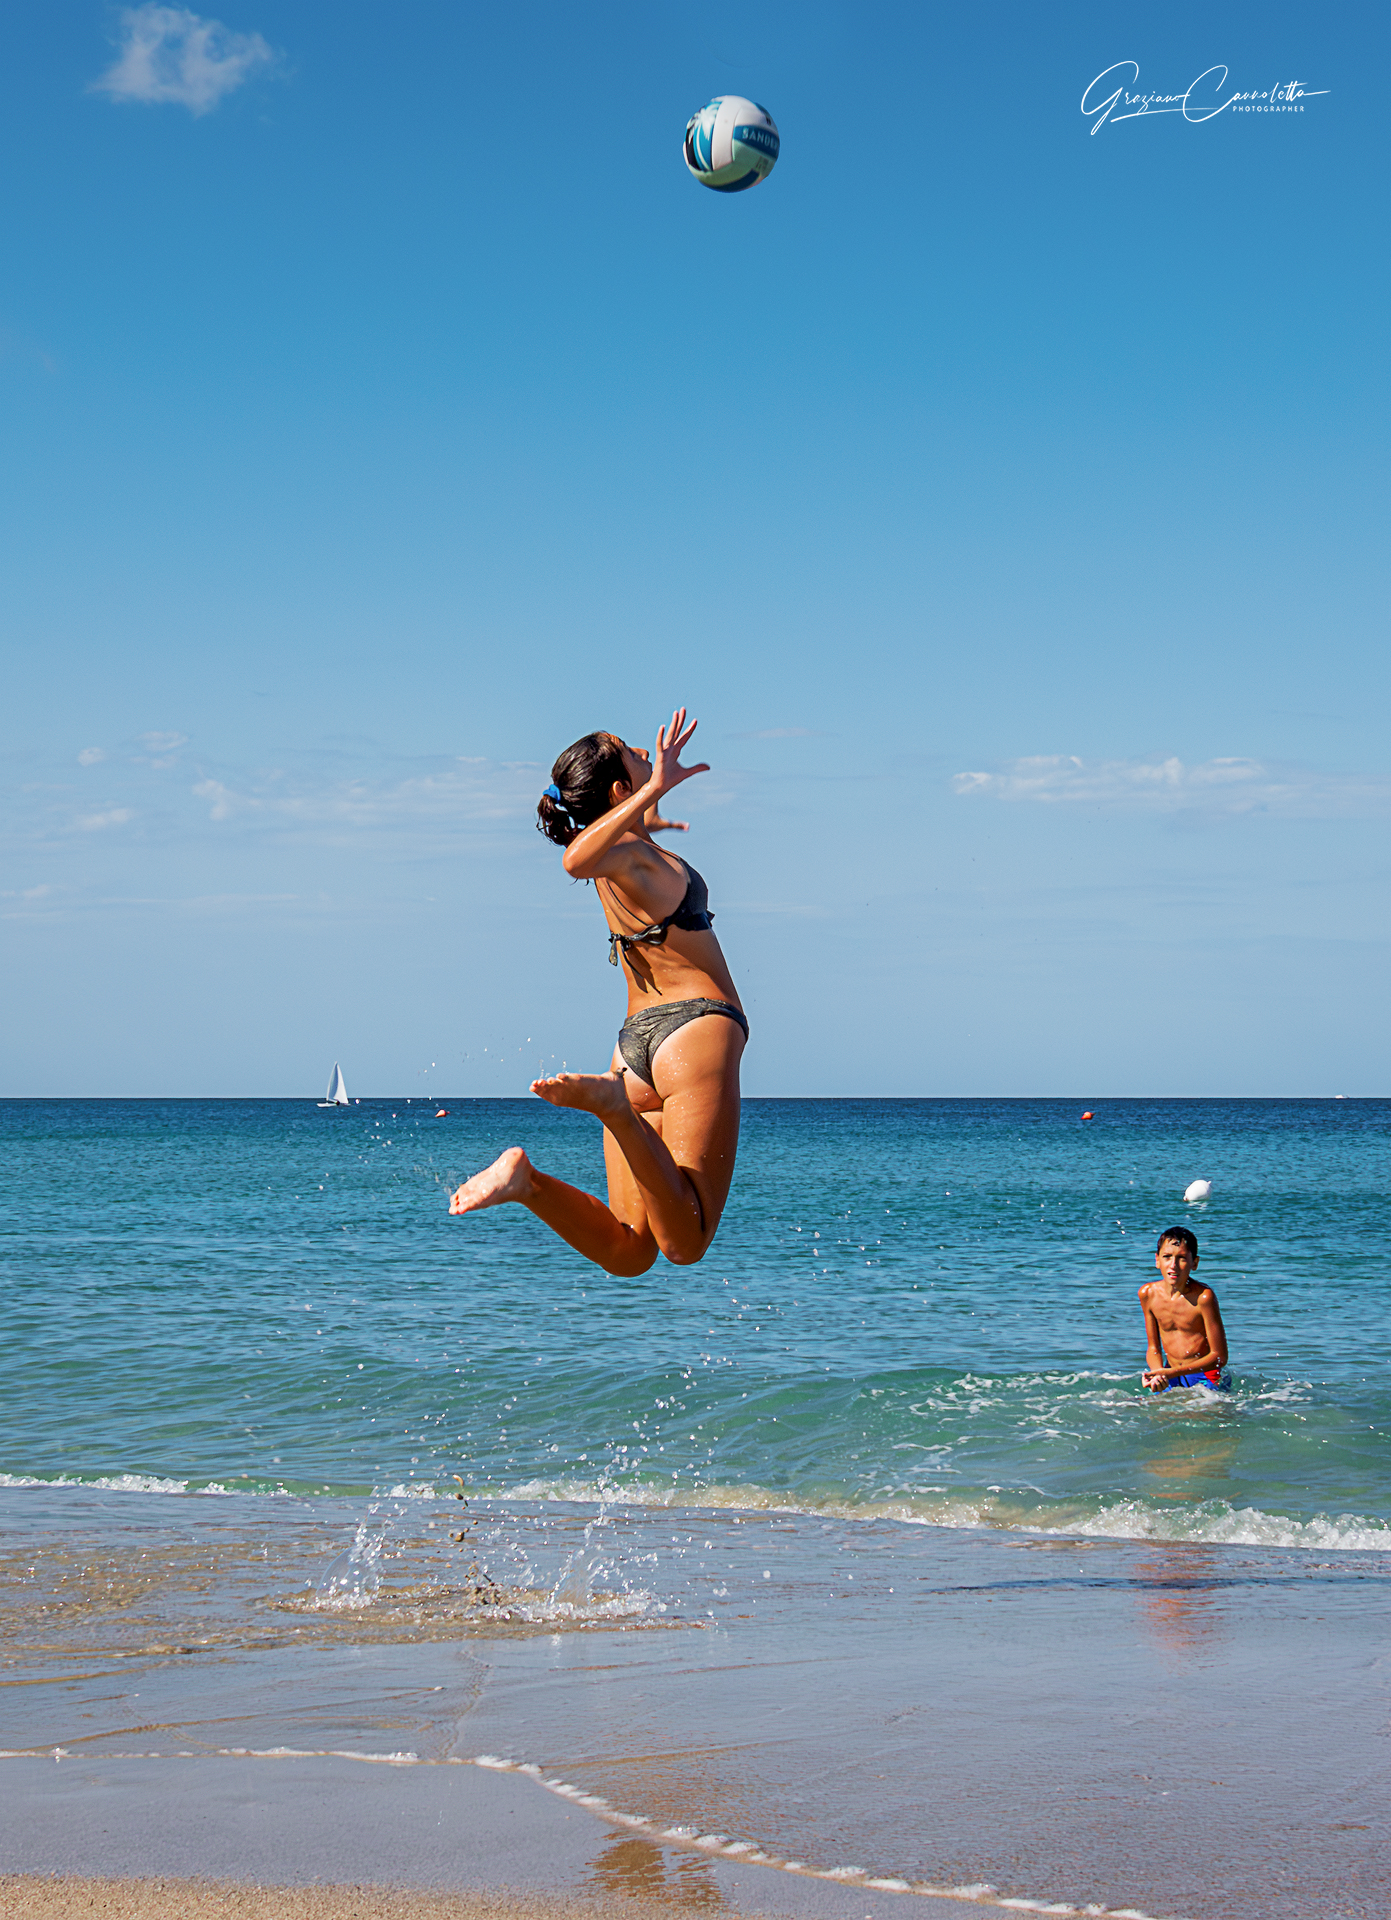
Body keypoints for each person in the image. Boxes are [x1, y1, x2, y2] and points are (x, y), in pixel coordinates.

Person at [448, 708, 747, 1275]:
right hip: (697, 1035)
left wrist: (649, 805)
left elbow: (603, 844)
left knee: (629, 1252)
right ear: (620, 790)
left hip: (634, 1049)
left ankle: (528, 1182)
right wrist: (655, 788)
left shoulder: (628, 856)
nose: (644, 753)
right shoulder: (621, 857)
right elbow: (574, 858)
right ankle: (613, 1112)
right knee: (686, 1242)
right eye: (635, 755)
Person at [1139, 1227, 1230, 1392]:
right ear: (1157, 1260)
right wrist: (1158, 1373)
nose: (1173, 1265)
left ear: (1194, 1263)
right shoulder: (1148, 1294)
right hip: (1169, 1373)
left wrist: (1171, 1372)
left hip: (1205, 1375)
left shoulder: (1204, 1297)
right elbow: (1153, 1348)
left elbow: (1220, 1357)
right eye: (1167, 1257)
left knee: (1211, 1414)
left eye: (1181, 1258)